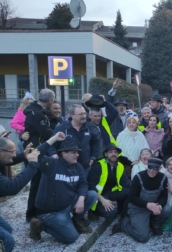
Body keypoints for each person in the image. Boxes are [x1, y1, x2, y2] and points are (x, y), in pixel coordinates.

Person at [29, 138, 98, 244]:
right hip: (51, 211)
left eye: (77, 152)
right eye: (73, 152)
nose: (77, 155)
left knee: (92, 195)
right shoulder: (51, 164)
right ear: (63, 153)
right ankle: (41, 225)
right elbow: (35, 154)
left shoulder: (77, 167)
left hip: (68, 204)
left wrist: (81, 199)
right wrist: (53, 139)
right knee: (72, 237)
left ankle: (76, 220)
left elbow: (83, 184)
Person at [0, 133, 59, 252]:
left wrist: (53, 138)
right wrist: (32, 164)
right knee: (8, 241)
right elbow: (12, 187)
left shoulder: (3, 156)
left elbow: (24, 156)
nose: (15, 154)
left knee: (8, 230)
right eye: (12, 151)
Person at [113, 158, 170, 242]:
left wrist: (159, 205)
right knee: (142, 237)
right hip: (138, 208)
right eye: (150, 167)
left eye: (155, 168)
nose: (152, 170)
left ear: (160, 168)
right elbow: (131, 197)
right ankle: (123, 224)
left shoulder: (163, 178)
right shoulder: (138, 177)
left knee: (167, 209)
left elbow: (164, 196)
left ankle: (154, 224)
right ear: (147, 166)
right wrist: (147, 205)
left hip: (153, 206)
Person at [24, 88, 55, 222]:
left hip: (37, 150)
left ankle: (38, 210)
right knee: (36, 184)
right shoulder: (37, 113)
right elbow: (46, 132)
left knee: (41, 183)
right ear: (51, 100)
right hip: (35, 152)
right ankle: (31, 214)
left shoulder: (37, 111)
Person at [51, 104, 101, 175]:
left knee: (83, 185)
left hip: (85, 167)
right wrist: (54, 154)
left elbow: (96, 144)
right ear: (72, 115)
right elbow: (52, 145)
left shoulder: (90, 127)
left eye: (84, 113)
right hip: (66, 167)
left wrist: (93, 158)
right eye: (80, 114)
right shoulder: (62, 128)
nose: (84, 116)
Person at [87, 144, 131, 220]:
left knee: (129, 191)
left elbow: (126, 183)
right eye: (110, 152)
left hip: (110, 193)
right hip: (98, 196)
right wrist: (103, 200)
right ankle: (93, 211)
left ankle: (122, 212)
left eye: (115, 152)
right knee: (112, 214)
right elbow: (90, 186)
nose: (113, 154)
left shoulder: (120, 165)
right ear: (106, 154)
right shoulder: (98, 165)